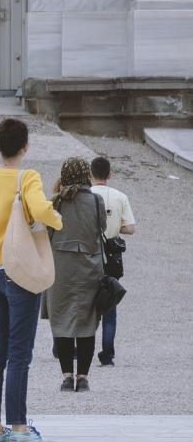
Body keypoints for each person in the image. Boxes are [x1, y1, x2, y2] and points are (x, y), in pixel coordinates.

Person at [0, 118, 63, 442]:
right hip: (18, 272)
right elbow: (40, 210)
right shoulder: (28, 176)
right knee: (20, 353)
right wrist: (57, 219)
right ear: (26, 147)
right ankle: (19, 426)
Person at [44, 157, 106, 394]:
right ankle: (83, 377)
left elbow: (47, 229)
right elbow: (101, 228)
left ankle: (67, 376)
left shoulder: (56, 202)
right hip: (90, 266)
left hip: (60, 266)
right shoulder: (96, 200)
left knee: (61, 321)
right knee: (87, 322)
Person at [90, 156, 136, 366]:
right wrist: (115, 227)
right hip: (111, 256)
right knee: (110, 305)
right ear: (110, 174)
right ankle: (107, 353)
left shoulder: (85, 196)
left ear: (91, 174)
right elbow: (130, 228)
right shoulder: (120, 196)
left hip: (89, 254)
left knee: (85, 303)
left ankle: (81, 348)